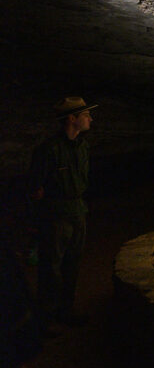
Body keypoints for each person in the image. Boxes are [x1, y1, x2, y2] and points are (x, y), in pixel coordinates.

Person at [28, 97, 96, 328]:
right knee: (51, 267)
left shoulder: (82, 147)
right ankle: (47, 317)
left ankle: (66, 310)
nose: (90, 119)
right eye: (86, 115)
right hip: (56, 214)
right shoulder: (49, 150)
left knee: (72, 264)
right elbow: (36, 187)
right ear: (72, 118)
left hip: (77, 211)